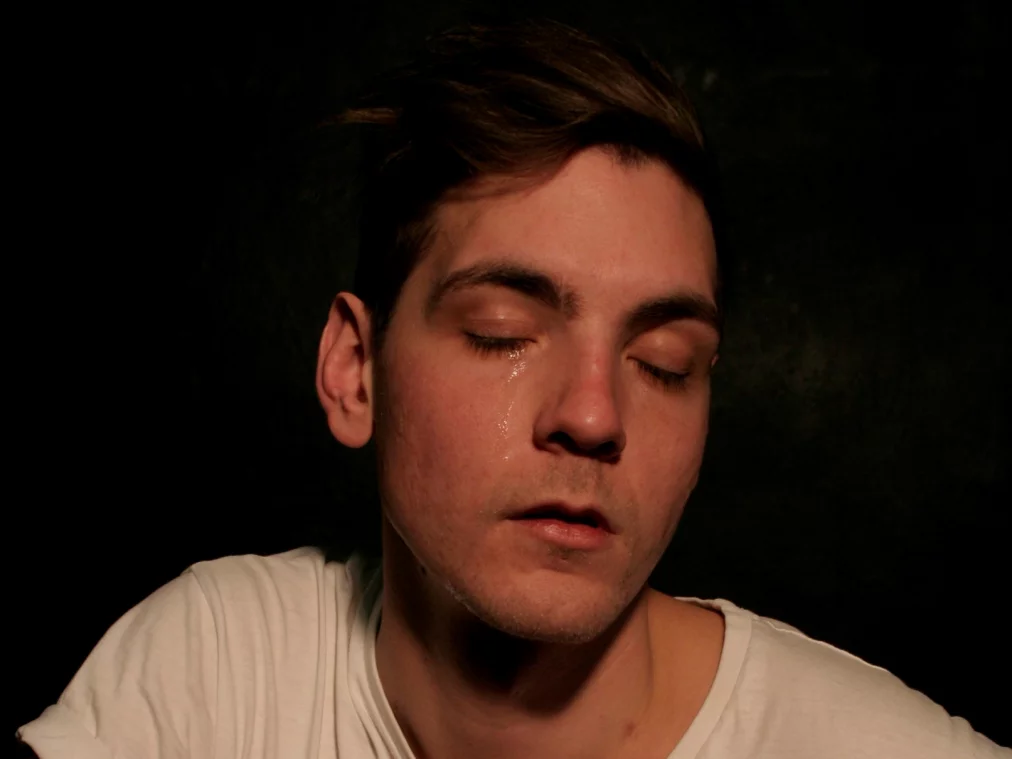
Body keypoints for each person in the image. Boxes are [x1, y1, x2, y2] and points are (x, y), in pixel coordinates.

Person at [17, 18, 1007, 759]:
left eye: (664, 362)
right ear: (355, 370)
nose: (593, 415)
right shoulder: (217, 671)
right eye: (503, 333)